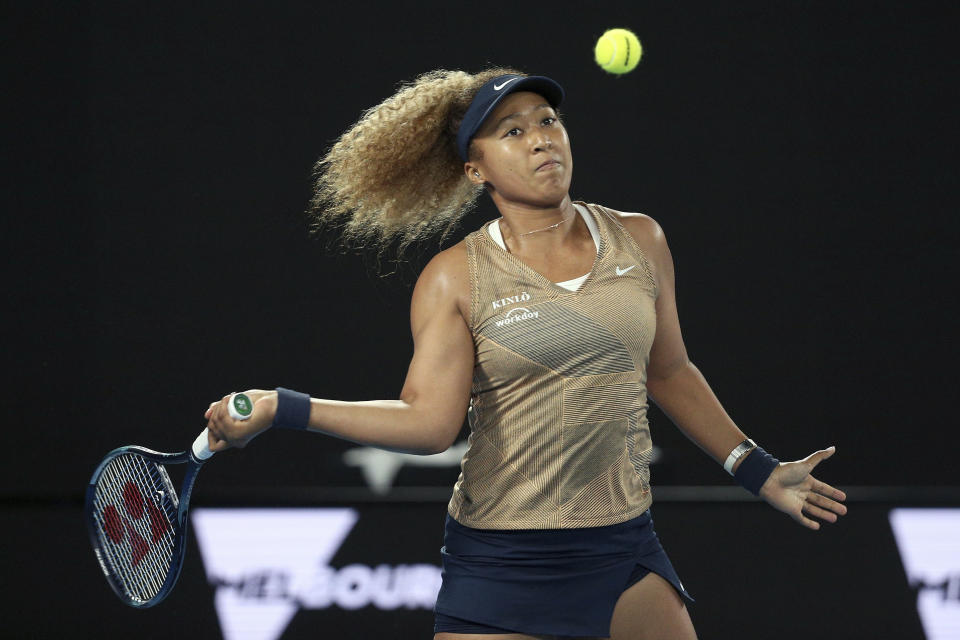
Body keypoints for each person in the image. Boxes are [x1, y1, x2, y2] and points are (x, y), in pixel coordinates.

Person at [204, 68, 848, 640]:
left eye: (548, 120)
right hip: (502, 562)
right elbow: (429, 424)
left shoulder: (641, 239)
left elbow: (668, 370)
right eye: (512, 131)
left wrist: (757, 469)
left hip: (621, 548)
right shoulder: (455, 277)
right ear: (475, 169)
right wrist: (283, 407)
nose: (541, 137)